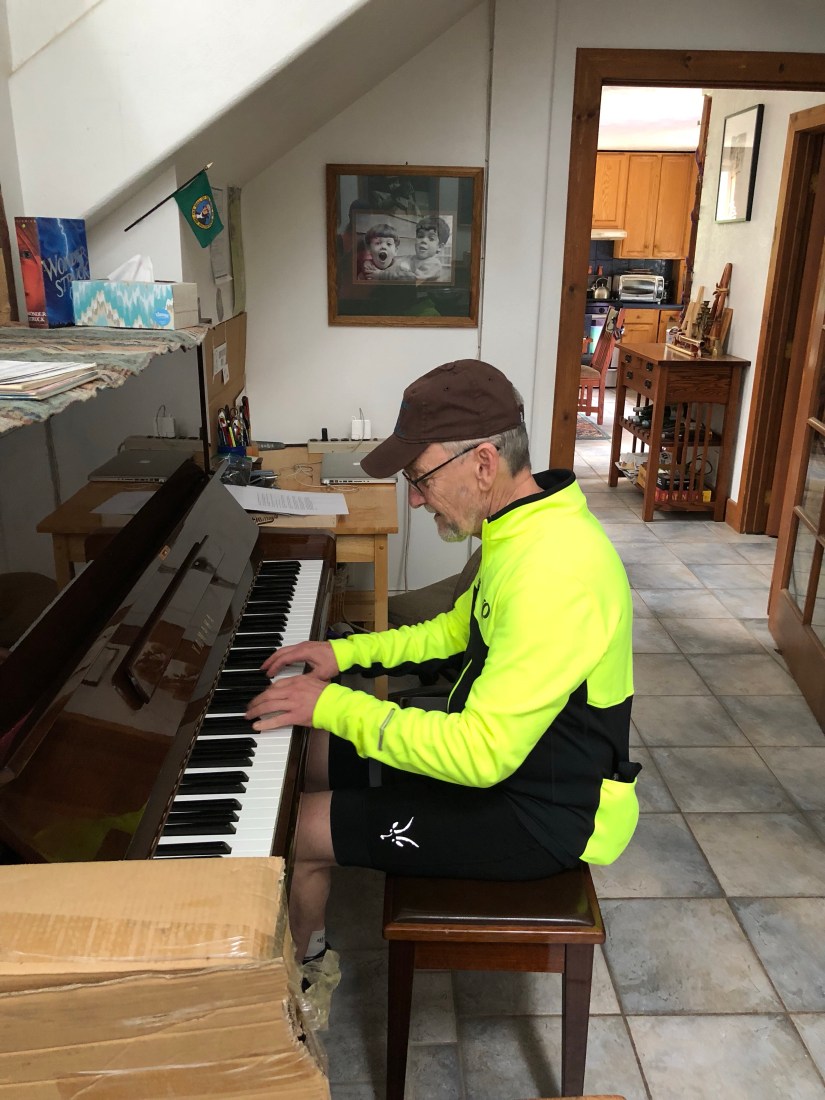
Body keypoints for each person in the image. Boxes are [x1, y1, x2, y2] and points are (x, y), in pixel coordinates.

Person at [245, 359, 639, 978]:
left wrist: (334, 703)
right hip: (501, 768)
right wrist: (343, 655)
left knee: (300, 830)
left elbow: (480, 754)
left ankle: (300, 982)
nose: (414, 496)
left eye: (419, 477)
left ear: (483, 462)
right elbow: (455, 630)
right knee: (311, 750)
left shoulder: (555, 571)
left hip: (541, 812)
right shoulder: (523, 528)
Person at [408, 215, 450, 282]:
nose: (423, 240)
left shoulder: (434, 264)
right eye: (420, 236)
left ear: (439, 247)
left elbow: (413, 279)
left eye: (431, 238)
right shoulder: (411, 258)